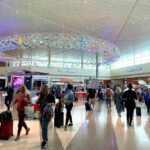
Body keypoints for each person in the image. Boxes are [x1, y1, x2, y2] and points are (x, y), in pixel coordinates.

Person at [36, 84, 55, 149]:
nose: (42, 90)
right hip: (41, 113)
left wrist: (50, 104)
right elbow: (37, 102)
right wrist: (37, 99)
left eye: (42, 89)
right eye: (41, 89)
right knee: (43, 128)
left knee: (44, 127)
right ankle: (44, 139)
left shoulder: (50, 95)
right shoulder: (41, 95)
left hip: (47, 114)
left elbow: (54, 103)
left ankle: (45, 140)